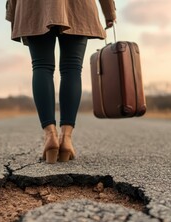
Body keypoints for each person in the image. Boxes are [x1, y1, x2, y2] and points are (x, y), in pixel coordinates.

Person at [6, 0, 116, 164]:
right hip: (77, 5)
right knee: (72, 68)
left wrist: (12, 11)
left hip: (34, 5)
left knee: (41, 66)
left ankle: (50, 135)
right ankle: (66, 138)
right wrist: (109, 12)